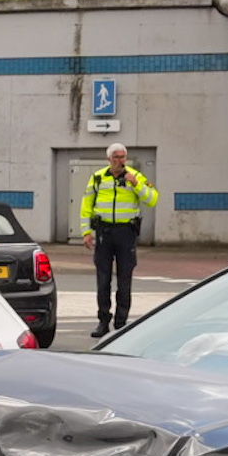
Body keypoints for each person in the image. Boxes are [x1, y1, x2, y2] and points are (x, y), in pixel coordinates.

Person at [79, 143, 157, 337]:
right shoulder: (97, 178)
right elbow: (86, 206)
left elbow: (153, 199)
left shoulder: (135, 177)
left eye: (123, 157)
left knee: (125, 279)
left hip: (126, 233)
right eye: (116, 157)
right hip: (104, 232)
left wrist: (136, 185)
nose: (120, 160)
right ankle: (103, 321)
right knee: (103, 280)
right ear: (109, 159)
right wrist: (86, 232)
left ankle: (121, 323)